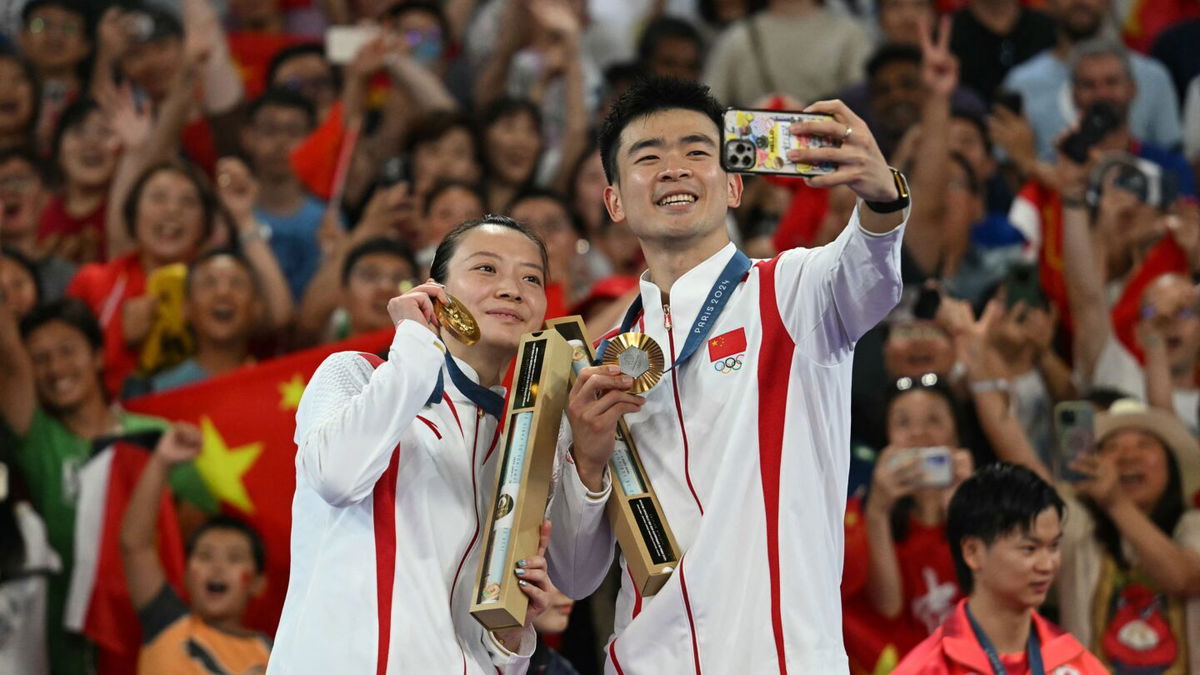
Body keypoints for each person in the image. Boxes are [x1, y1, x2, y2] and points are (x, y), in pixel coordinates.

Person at [548, 76, 908, 672]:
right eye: (648, 156)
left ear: (735, 185)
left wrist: (882, 199)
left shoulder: (793, 294)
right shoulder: (603, 366)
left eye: (696, 151)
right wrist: (586, 460)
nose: (674, 169)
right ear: (613, 201)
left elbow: (871, 274)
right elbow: (577, 573)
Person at [270, 216, 557, 673]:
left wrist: (510, 632)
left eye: (531, 278)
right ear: (434, 290)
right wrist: (416, 341)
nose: (511, 289)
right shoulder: (356, 374)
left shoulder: (523, 444)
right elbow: (337, 479)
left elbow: (487, 656)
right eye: (486, 268)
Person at [0, 297, 214, 675]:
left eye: (67, 350)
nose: (55, 368)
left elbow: (196, 535)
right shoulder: (39, 441)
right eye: (41, 358)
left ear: (99, 356)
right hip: (67, 646)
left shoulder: (157, 438)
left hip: (153, 635)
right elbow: (11, 363)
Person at [892, 463, 1109, 674]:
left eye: (1053, 546)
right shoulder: (928, 668)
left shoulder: (1076, 663)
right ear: (973, 552)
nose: (1047, 565)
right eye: (1029, 549)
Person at [121, 422, 271, 674]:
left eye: (235, 558)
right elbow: (135, 546)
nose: (217, 566)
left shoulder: (276, 655)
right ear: (186, 574)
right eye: (204, 555)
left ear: (258, 583)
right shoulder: (166, 623)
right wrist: (161, 461)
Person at [865, 376, 973, 652]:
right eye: (903, 423)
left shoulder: (989, 506)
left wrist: (969, 511)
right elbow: (888, 606)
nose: (918, 433)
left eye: (933, 420)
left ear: (957, 434)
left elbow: (992, 598)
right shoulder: (863, 516)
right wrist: (877, 511)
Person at [1003, 0, 1183, 162]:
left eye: (1111, 82)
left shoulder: (1153, 76)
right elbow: (1008, 173)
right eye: (1088, 84)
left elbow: (1172, 163)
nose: (1080, 2)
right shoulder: (1021, 84)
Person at [122, 249, 264, 396]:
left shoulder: (275, 386)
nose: (223, 292)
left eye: (237, 283)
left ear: (257, 309)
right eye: (209, 283)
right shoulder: (154, 392)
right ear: (185, 309)